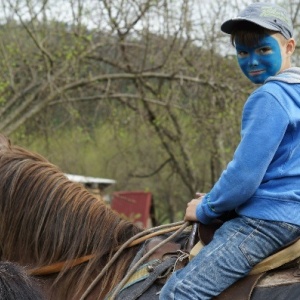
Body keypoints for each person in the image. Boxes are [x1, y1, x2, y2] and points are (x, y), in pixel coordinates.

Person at [159, 2, 300, 299]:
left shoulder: (269, 97)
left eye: (263, 50)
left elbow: (244, 176)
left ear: (289, 46)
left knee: (178, 292)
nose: (252, 61)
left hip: (267, 221)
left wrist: (207, 207)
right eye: (243, 52)